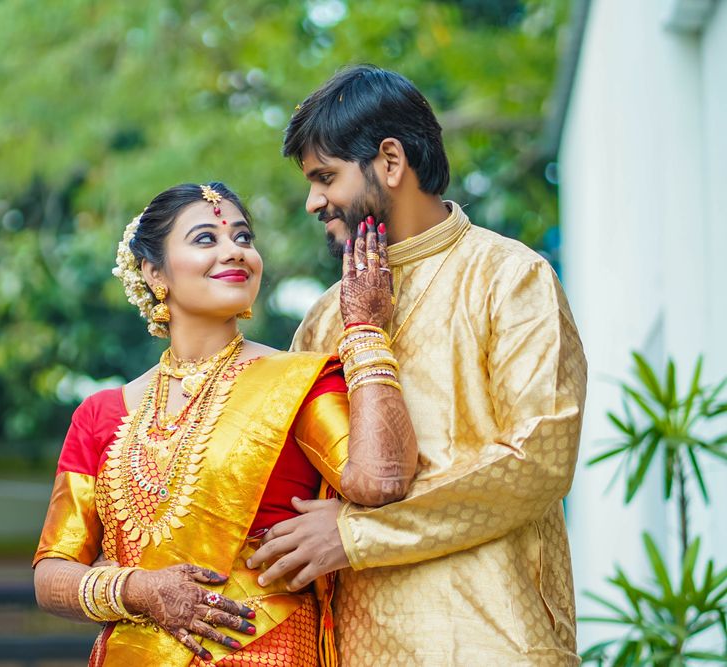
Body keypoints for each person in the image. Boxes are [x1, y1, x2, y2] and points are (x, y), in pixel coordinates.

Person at [247, 65, 588, 665]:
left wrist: (358, 534)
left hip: (495, 642)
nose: (313, 202)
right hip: (353, 647)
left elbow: (538, 459)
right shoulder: (324, 319)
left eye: (326, 177)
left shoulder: (510, 278)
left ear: (390, 161)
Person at [32, 181, 418, 666]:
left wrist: (365, 331)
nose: (235, 251)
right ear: (154, 272)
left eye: (243, 237)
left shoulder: (298, 382)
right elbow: (51, 574)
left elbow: (381, 480)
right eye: (205, 239)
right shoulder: (100, 413)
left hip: (268, 650)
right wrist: (138, 589)